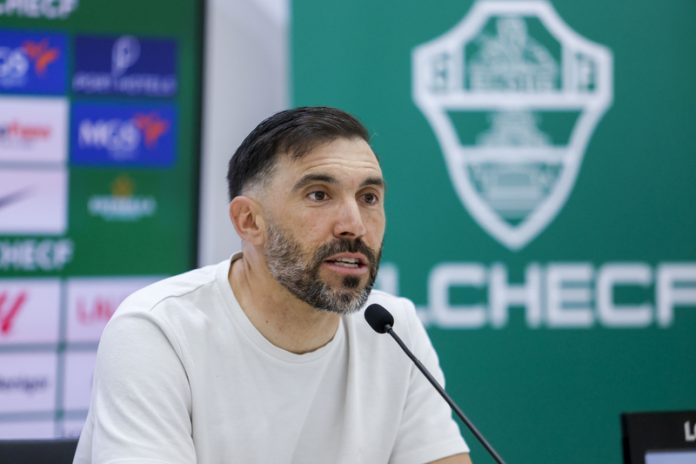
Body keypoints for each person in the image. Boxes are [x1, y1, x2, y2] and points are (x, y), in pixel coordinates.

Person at [73, 107, 471, 463]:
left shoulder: (393, 329)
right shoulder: (158, 330)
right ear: (249, 221)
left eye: (369, 198)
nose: (354, 224)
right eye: (319, 194)